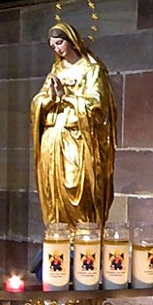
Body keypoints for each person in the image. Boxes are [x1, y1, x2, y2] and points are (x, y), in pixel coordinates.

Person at [30, 21, 118, 229]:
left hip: (78, 140)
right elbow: (38, 101)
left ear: (72, 41)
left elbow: (97, 105)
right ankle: (59, 236)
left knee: (77, 186)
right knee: (54, 190)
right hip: (52, 139)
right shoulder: (55, 70)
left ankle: (83, 237)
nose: (57, 49)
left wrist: (66, 97)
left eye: (60, 43)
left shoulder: (91, 70)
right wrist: (49, 99)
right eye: (53, 46)